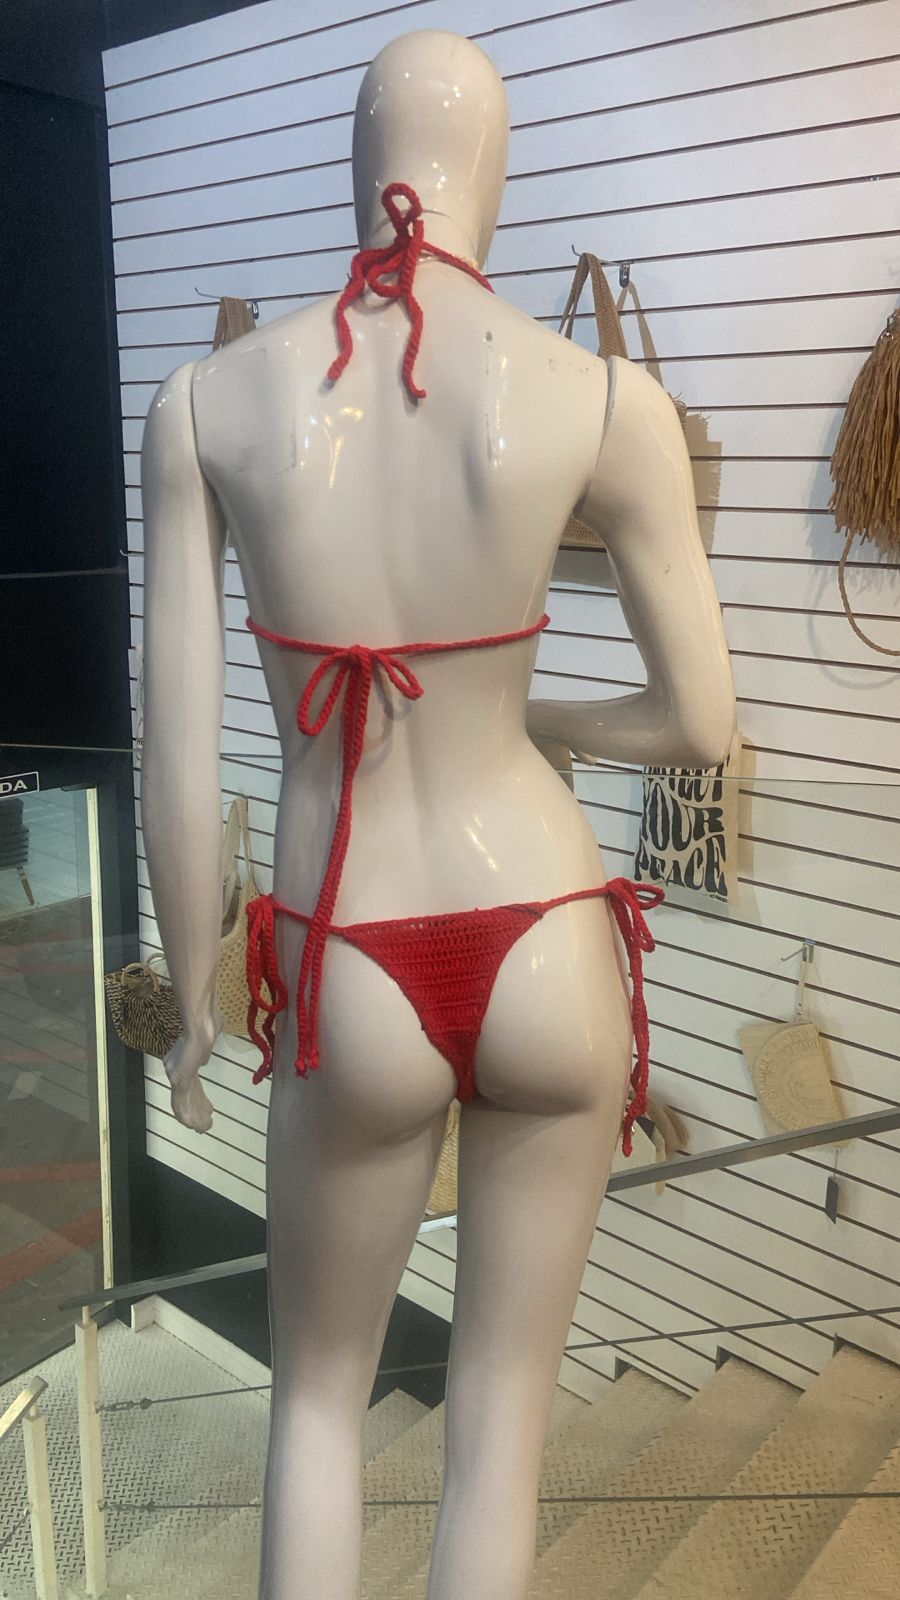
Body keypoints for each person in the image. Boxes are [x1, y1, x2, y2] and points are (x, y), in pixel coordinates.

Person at [139, 28, 735, 1600]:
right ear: (498, 171)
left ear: (360, 159)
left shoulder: (208, 405)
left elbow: (177, 744)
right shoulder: (603, 398)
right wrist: (529, 721)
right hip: (548, 930)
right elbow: (700, 725)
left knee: (317, 1407)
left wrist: (194, 1003)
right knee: (504, 1422)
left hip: (352, 948)